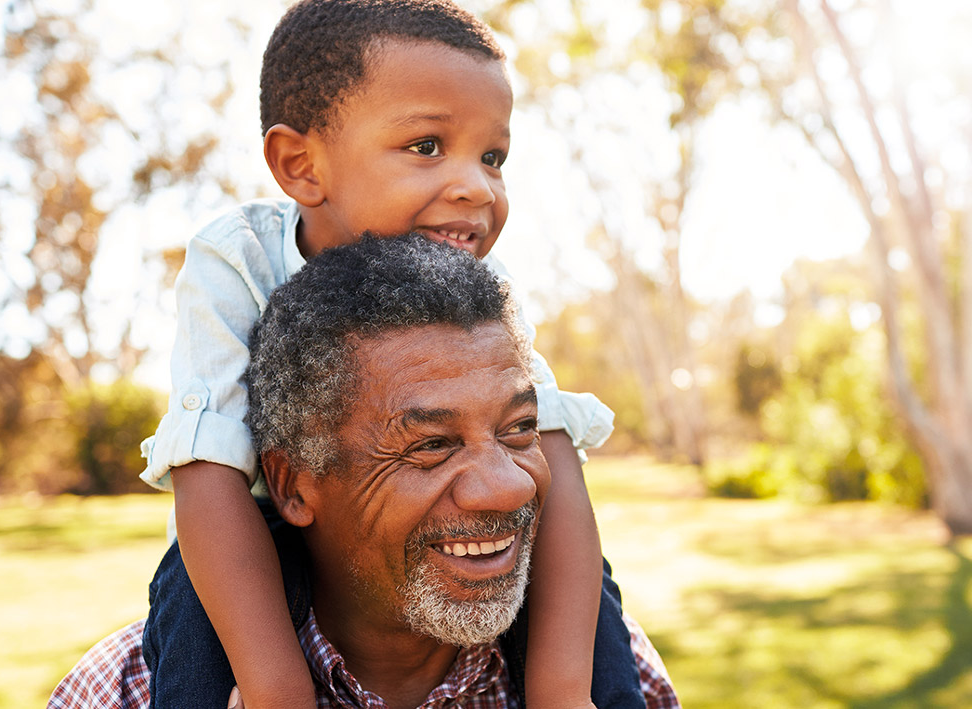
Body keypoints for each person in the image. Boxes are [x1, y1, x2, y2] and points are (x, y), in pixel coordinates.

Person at [137, 1, 641, 707]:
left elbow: (551, 452)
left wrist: (564, 689)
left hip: (441, 549)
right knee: (191, 598)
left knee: (586, 591)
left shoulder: (480, 292)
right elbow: (208, 470)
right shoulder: (239, 258)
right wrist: (275, 687)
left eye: (493, 156)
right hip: (256, 540)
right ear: (301, 164)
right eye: (427, 146)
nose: (476, 185)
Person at [51, 236, 678, 709]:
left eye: (518, 430)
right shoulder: (123, 690)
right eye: (431, 444)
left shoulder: (612, 671)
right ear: (294, 484)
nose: (510, 486)